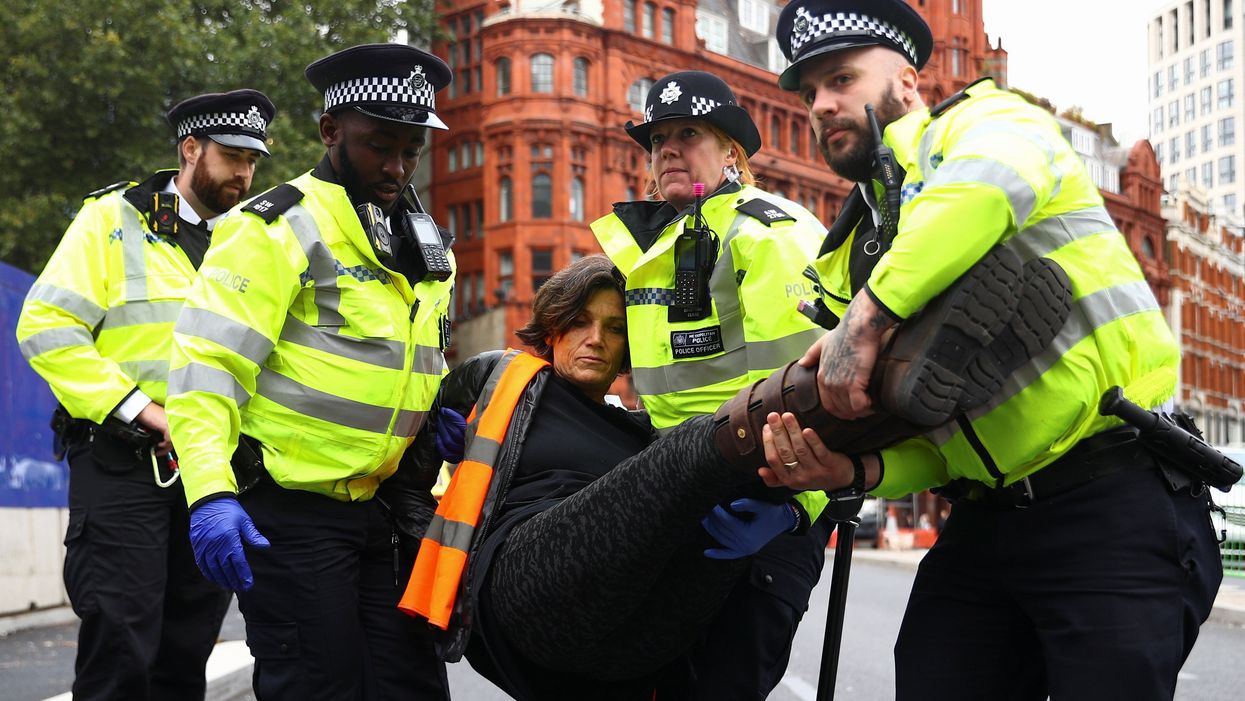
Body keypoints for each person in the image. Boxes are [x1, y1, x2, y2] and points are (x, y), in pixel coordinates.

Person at [759, 1, 1224, 699]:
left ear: (908, 82)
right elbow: (933, 438)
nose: (821, 104)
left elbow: (984, 186)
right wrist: (857, 468)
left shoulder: (987, 124)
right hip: (983, 518)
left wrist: (869, 314)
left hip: (1110, 492)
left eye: (841, 78)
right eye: (808, 93)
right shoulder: (848, 256)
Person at [164, 44, 455, 701]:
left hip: (386, 513)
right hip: (292, 516)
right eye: (380, 144)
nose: (398, 165)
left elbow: (416, 367)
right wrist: (211, 492)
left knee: (411, 685)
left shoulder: (424, 241)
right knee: (318, 686)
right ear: (330, 130)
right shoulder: (273, 228)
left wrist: (442, 427)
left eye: (413, 148)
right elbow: (206, 366)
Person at [15, 89, 274, 701]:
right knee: (121, 646)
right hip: (123, 462)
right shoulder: (112, 220)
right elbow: (46, 326)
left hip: (210, 471)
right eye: (232, 156)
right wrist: (140, 407)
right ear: (191, 149)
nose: (245, 172)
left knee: (186, 652)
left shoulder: (255, 238)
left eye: (253, 160)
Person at [589, 70, 835, 699]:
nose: (667, 148)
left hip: (762, 508)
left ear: (731, 151)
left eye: (687, 134)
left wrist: (791, 506)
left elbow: (818, 383)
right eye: (657, 138)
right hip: (678, 501)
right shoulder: (649, 250)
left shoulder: (767, 232)